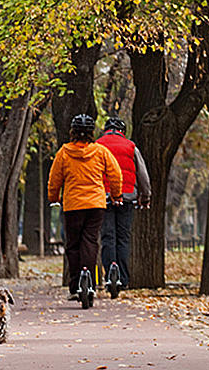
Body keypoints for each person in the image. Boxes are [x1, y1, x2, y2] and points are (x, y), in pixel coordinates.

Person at [47, 114, 123, 301]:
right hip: (96, 204)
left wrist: (54, 197)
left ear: (72, 132)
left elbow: (54, 179)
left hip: (73, 205)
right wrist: (116, 195)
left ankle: (75, 286)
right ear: (91, 132)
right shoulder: (100, 152)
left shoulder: (64, 153)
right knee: (90, 241)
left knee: (73, 244)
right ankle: (88, 279)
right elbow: (115, 174)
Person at [96, 117, 151, 291]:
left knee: (107, 237)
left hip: (103, 196)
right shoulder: (131, 146)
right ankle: (123, 278)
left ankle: (110, 275)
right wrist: (145, 196)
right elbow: (142, 173)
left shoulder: (97, 145)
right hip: (127, 196)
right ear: (122, 131)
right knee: (123, 238)